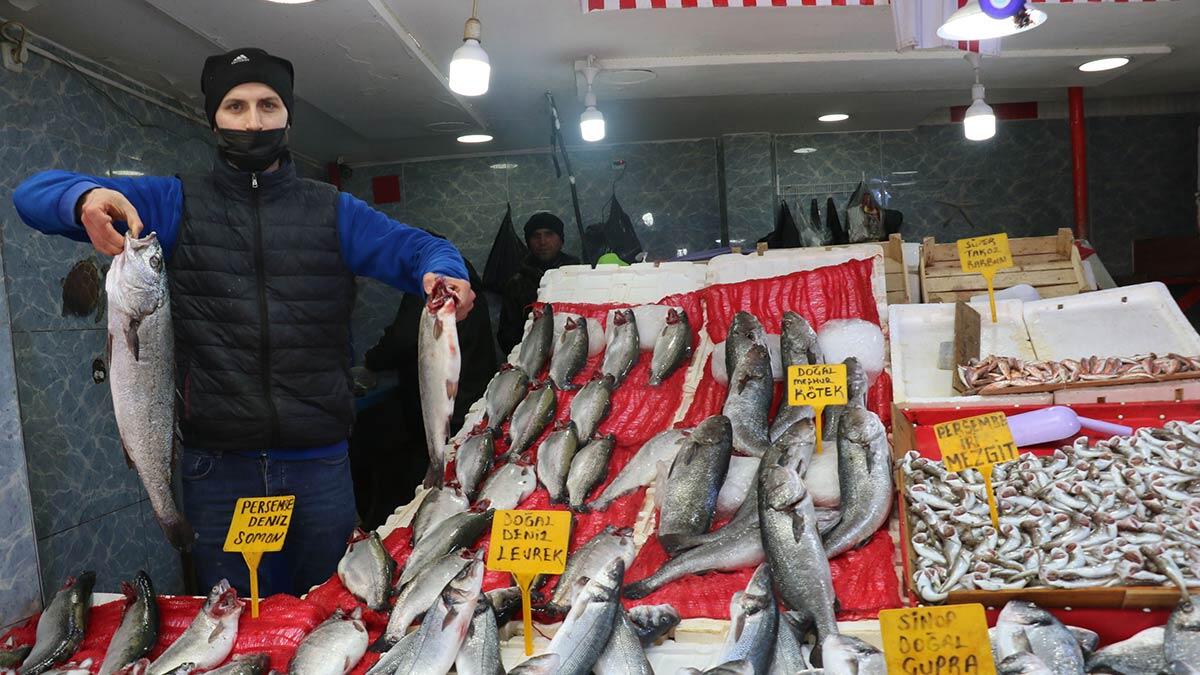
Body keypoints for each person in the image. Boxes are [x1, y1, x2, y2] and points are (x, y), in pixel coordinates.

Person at [12, 47, 475, 597]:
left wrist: (443, 274)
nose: (253, 121)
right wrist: (83, 197)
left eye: (268, 104)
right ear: (214, 117)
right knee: (237, 622)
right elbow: (28, 195)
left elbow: (420, 247)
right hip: (218, 471)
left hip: (319, 465)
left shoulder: (333, 210)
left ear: (287, 116)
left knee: (334, 615)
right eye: (235, 106)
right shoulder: (172, 202)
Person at [351, 246, 496, 529]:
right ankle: (453, 505)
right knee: (461, 462)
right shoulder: (461, 282)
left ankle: (439, 509)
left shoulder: (435, 290)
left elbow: (403, 338)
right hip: (470, 389)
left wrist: (372, 359)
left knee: (441, 457)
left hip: (451, 397)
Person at [496, 212, 580, 354]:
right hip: (532, 356)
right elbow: (507, 337)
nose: (543, 241)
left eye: (549, 234)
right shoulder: (517, 283)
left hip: (575, 349)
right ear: (528, 242)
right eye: (536, 236)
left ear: (561, 240)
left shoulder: (578, 274)